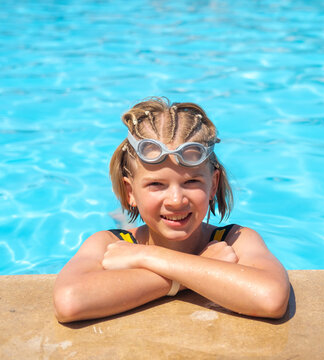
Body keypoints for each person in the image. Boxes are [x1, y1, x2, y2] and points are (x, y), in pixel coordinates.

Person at [53, 97, 290, 323]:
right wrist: (200, 267)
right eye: (156, 184)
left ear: (213, 185)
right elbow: (70, 302)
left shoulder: (235, 240)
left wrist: (147, 256)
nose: (176, 200)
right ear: (130, 192)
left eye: (191, 182)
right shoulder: (109, 245)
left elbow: (271, 298)